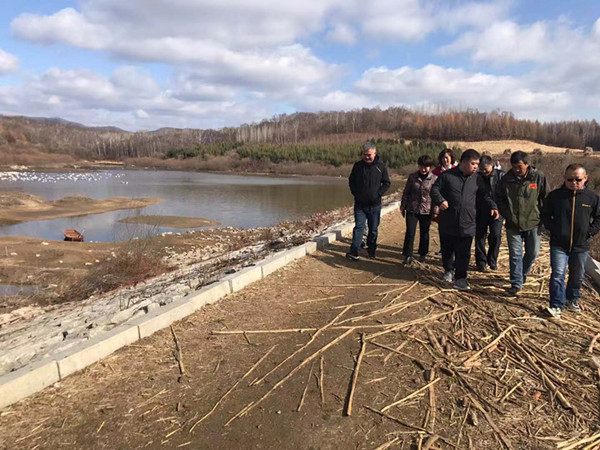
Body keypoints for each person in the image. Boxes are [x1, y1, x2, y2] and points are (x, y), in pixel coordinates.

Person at [430, 149, 499, 290]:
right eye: (473, 163)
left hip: (468, 221)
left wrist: (493, 206)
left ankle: (461, 278)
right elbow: (434, 190)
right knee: (447, 248)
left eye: (477, 164)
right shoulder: (447, 176)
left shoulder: (477, 179)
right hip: (448, 220)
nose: (476, 167)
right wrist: (440, 200)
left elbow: (485, 195)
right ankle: (448, 270)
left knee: (464, 252)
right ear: (463, 162)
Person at [542, 164, 600, 318]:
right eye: (570, 179)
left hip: (581, 245)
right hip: (559, 244)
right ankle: (556, 305)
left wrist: (589, 232)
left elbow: (599, 217)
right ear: (564, 178)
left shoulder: (592, 198)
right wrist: (554, 229)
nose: (574, 182)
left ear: (585, 178)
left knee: (577, 275)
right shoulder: (555, 196)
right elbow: (545, 215)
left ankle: (571, 299)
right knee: (558, 274)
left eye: (578, 179)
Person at [496, 151, 550, 296]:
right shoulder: (506, 179)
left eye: (519, 166)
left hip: (533, 222)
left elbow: (546, 197)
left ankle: (522, 273)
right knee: (515, 254)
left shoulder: (538, 177)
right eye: (514, 167)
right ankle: (516, 283)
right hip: (513, 224)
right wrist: (507, 214)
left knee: (532, 253)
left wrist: (544, 217)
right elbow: (499, 198)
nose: (516, 170)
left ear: (527, 164)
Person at [346, 142, 391, 261]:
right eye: (364, 155)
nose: (366, 157)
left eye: (369, 155)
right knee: (359, 227)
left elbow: (387, 183)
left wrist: (378, 194)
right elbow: (351, 180)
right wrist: (355, 192)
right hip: (360, 205)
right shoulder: (358, 166)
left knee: (373, 229)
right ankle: (354, 252)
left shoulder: (381, 166)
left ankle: (371, 250)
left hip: (374, 205)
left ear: (375, 153)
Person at [400, 155, 437, 265]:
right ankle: (408, 255)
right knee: (410, 232)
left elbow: (436, 196)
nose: (424, 169)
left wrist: (435, 210)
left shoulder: (434, 179)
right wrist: (403, 205)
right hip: (412, 208)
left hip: (427, 210)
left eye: (426, 166)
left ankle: (423, 254)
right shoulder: (412, 177)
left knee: (424, 233)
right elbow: (406, 192)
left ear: (430, 167)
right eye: (421, 166)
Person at [475, 155, 504, 272]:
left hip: (497, 211)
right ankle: (481, 262)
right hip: (480, 210)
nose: (483, 172)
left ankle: (492, 260)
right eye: (481, 169)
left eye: (485, 169)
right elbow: (482, 194)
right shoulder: (476, 177)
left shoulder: (501, 176)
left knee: (496, 235)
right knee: (480, 236)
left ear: (492, 166)